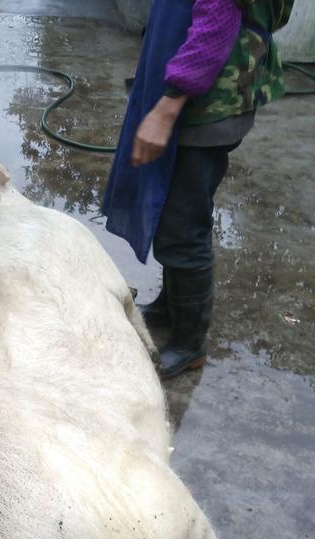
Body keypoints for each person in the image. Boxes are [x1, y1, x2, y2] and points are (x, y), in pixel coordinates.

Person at [103, 0, 293, 379]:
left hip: (205, 104)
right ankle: (173, 307)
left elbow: (214, 26)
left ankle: (190, 344)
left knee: (183, 227)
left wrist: (166, 107)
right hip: (206, 94)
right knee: (178, 208)